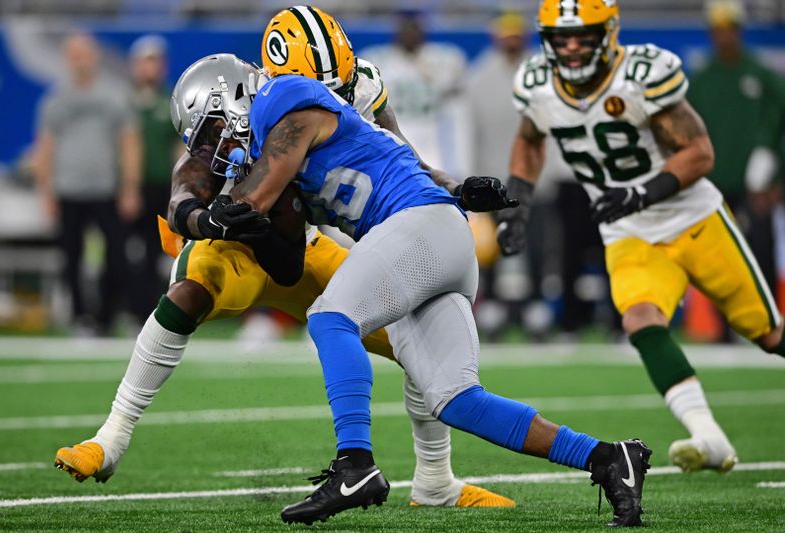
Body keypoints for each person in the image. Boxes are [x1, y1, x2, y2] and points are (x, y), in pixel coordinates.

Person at [53, 49, 516, 510]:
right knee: (186, 294)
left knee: (415, 337)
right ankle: (110, 438)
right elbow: (183, 194)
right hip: (234, 247)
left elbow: (402, 160)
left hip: (305, 246)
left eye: (215, 126)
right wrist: (206, 222)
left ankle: (435, 481)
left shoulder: (326, 102)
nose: (213, 142)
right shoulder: (227, 138)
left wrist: (453, 188)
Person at [223, 41, 651, 527]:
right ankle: (608, 458)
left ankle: (355, 465)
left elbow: (253, 197)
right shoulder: (327, 129)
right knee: (455, 400)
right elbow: (407, 170)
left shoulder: (286, 96)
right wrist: (461, 187)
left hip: (416, 226)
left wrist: (212, 211)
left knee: (328, 318)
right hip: (436, 237)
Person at [500, 0, 785, 475]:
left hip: (691, 218)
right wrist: (519, 205)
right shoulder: (537, 84)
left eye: (583, 36)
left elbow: (699, 152)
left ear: (608, 33)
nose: (571, 48)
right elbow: (530, 138)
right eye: (561, 38)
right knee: (639, 319)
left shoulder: (642, 73)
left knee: (770, 333)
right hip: (629, 230)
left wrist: (642, 190)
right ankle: (707, 435)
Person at [33, 32, 142, 335]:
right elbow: (46, 146)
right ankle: (82, 318)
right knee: (71, 259)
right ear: (67, 59)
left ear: (94, 57)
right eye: (74, 54)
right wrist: (46, 190)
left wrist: (130, 187)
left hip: (106, 189)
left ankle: (107, 317)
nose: (80, 60)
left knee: (118, 257)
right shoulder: (56, 99)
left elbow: (129, 142)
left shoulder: (114, 95)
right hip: (67, 190)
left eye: (84, 53)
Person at [689, 0, 785, 315]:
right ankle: (724, 324)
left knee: (761, 247)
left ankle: (767, 316)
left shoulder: (760, 74)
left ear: (739, 31)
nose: (724, 36)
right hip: (714, 180)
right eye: (718, 30)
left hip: (755, 181)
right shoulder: (704, 79)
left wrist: (777, 178)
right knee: (719, 256)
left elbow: (778, 127)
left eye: (729, 29)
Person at [362, 11, 472, 177]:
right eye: (405, 30)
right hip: (396, 131)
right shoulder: (376, 59)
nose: (409, 34)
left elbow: (458, 100)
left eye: (414, 29)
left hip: (433, 135)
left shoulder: (445, 59)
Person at [127, 34, 182, 319]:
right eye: (146, 62)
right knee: (129, 252)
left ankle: (155, 311)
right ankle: (129, 311)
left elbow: (179, 147)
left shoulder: (170, 100)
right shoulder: (125, 102)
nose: (151, 68)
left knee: (161, 251)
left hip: (164, 188)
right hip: (132, 189)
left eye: (155, 62)